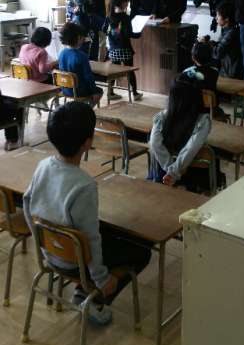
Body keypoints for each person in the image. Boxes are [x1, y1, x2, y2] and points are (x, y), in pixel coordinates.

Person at [23, 102, 151, 326]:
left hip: (50, 252)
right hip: (75, 262)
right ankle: (94, 297)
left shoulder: (43, 166)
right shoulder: (84, 186)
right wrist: (102, 278)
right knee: (142, 251)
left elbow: (26, 202)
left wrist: (40, 240)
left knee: (107, 233)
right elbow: (91, 239)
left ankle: (84, 288)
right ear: (88, 142)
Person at [148, 75, 211, 189]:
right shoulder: (203, 121)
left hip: (163, 172)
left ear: (173, 98)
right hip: (193, 176)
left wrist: (170, 170)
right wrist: (173, 172)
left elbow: (154, 143)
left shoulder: (162, 117)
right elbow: (190, 149)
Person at [103, 0, 143, 101]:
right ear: (121, 3)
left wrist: (113, 33)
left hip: (113, 50)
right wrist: (139, 33)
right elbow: (129, 34)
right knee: (130, 71)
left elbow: (104, 29)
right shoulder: (125, 17)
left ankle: (110, 92)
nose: (127, 3)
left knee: (113, 72)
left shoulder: (109, 16)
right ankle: (135, 93)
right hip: (125, 49)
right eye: (126, 1)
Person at [58, 22, 103, 106]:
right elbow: (88, 77)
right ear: (79, 38)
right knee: (99, 91)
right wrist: (94, 92)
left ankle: (82, 107)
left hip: (65, 89)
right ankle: (87, 109)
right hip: (79, 91)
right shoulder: (82, 56)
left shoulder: (62, 53)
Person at [211, 1, 244, 79]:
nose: (216, 18)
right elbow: (221, 45)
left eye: (218, 15)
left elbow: (218, 53)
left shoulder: (231, 33)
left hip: (230, 74)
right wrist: (211, 43)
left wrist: (208, 45)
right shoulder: (228, 30)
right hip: (227, 69)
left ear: (226, 19)